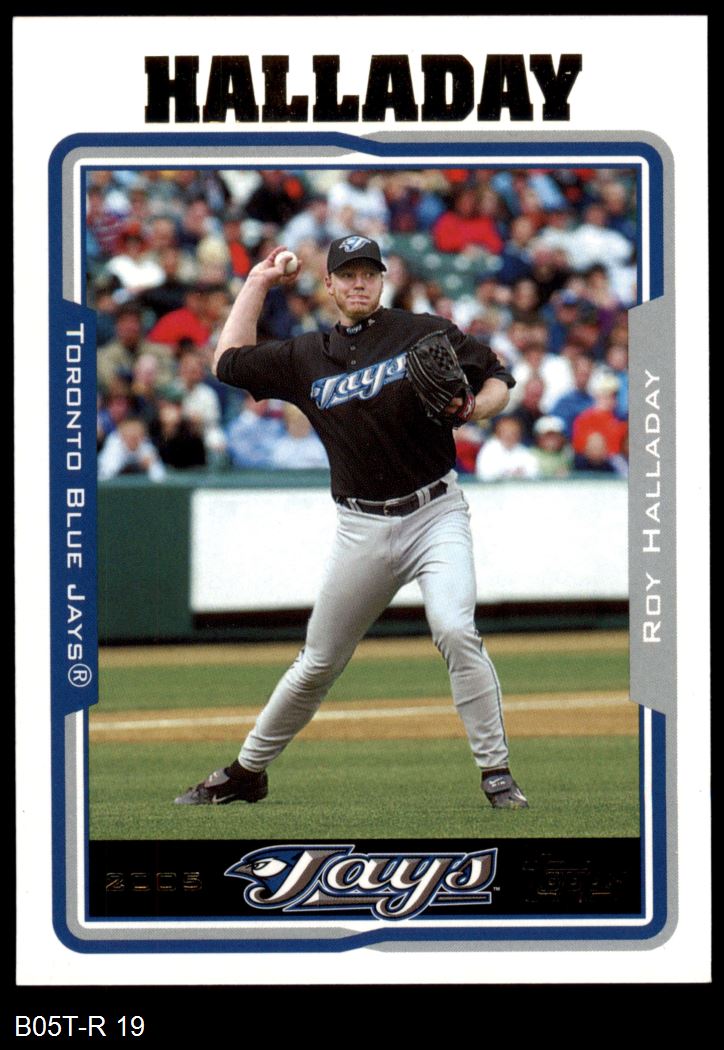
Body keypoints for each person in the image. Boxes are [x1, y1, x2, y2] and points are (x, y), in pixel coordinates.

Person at [175, 236, 528, 810]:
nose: (359, 282)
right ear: (330, 285)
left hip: (436, 513)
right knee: (318, 662)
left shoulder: (423, 332)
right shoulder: (305, 356)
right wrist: (259, 281)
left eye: (369, 273)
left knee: (455, 629)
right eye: (348, 274)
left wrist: (475, 408)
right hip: (361, 528)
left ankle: (497, 774)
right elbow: (226, 360)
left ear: (383, 280)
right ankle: (247, 772)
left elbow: (497, 378)